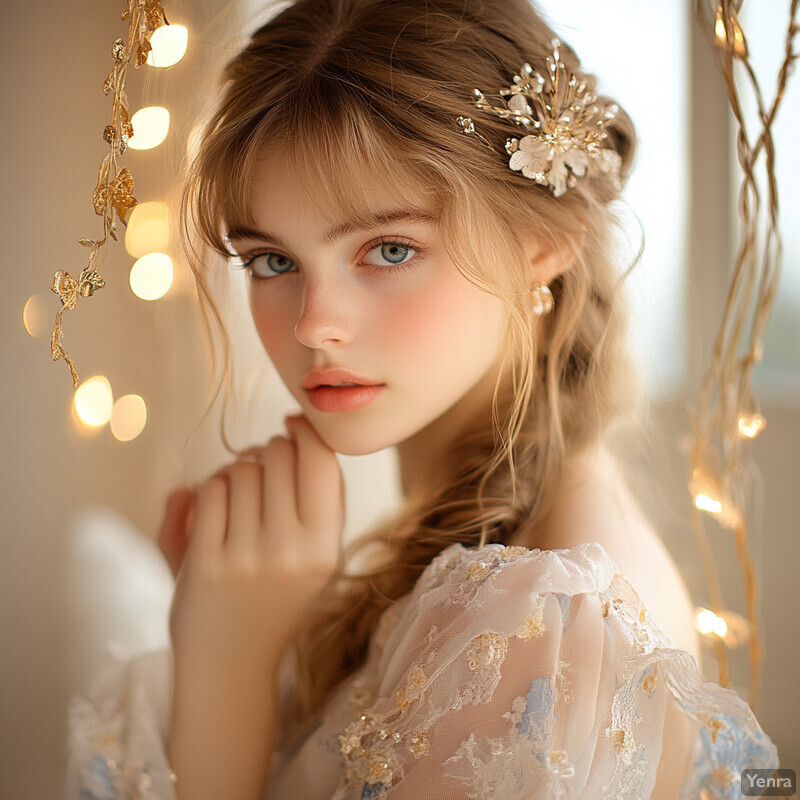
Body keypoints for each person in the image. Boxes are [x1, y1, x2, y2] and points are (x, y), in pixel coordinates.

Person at [66, 0, 779, 797]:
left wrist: (226, 668)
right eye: (272, 261)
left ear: (545, 240)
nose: (313, 325)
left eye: (389, 249)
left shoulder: (542, 625)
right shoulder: (478, 553)